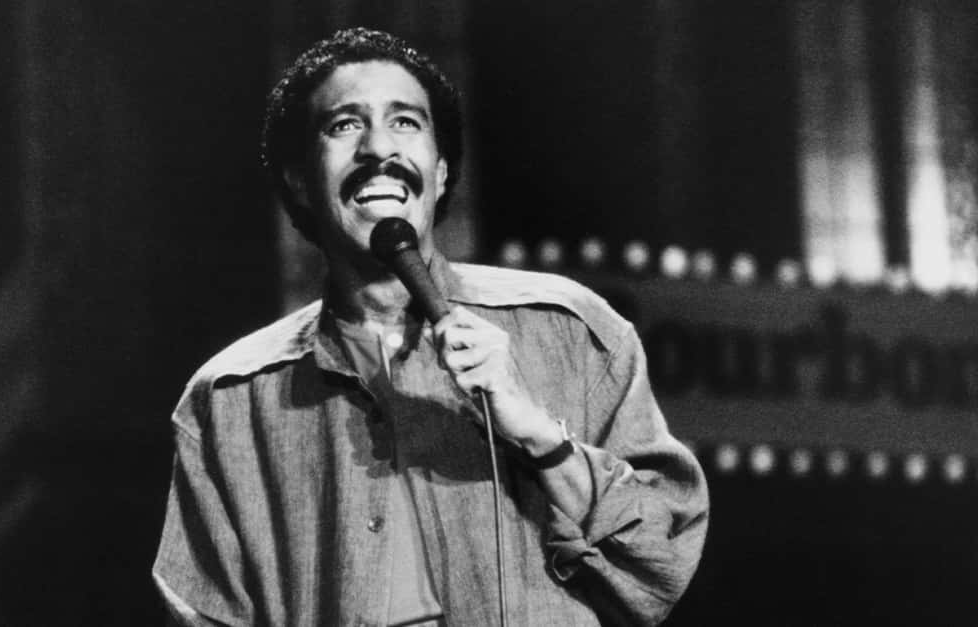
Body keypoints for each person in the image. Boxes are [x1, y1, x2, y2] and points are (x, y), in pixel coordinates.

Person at [153, 27, 708, 626]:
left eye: (405, 122)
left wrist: (540, 435)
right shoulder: (230, 400)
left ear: (440, 174)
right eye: (344, 125)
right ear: (299, 182)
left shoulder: (575, 333)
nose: (378, 148)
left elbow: (661, 564)